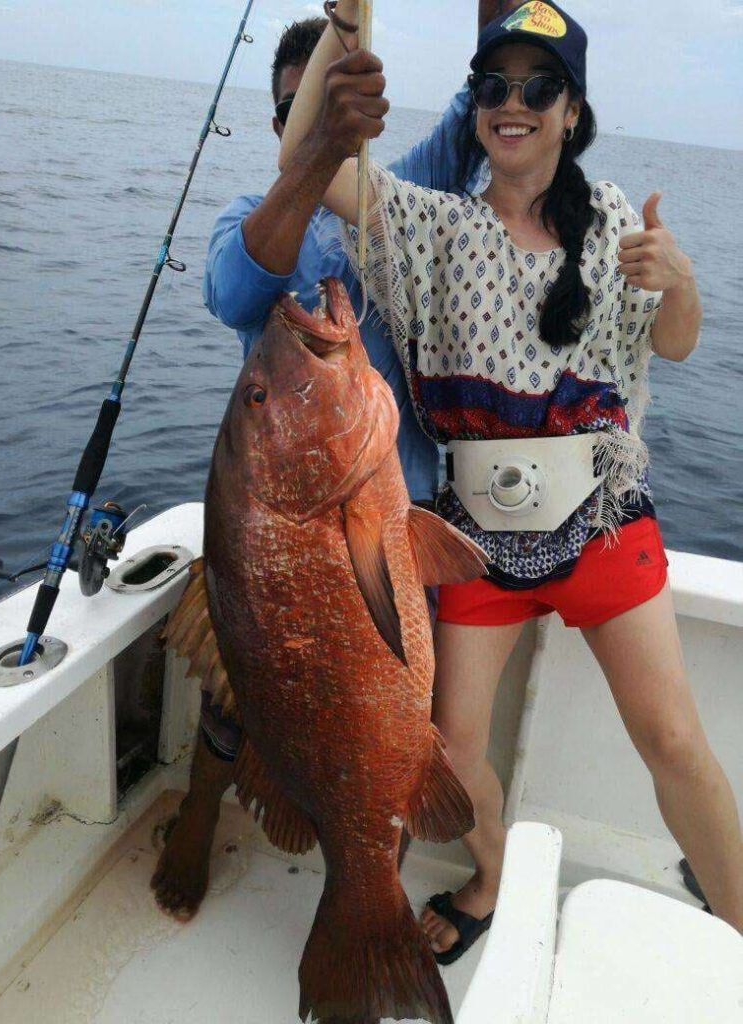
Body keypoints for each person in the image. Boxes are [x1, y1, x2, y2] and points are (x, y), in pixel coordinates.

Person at [279, 0, 743, 959]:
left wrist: (683, 282)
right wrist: (340, 22)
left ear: (572, 110)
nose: (513, 103)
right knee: (448, 753)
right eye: (496, 86)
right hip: (475, 536)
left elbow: (677, 342)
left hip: (601, 519)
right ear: (478, 106)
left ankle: (739, 915)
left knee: (671, 740)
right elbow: (300, 163)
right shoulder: (431, 225)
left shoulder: (613, 220)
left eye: (539, 86)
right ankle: (487, 882)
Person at [150, 1, 517, 921]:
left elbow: (483, 110)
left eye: (321, 104)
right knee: (245, 690)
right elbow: (238, 282)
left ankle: (369, 895)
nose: (308, 119)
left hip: (396, 517)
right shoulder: (254, 214)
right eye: (295, 109)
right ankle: (199, 812)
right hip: (280, 520)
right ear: (280, 124)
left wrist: (500, 18)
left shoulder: (397, 199)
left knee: (394, 718)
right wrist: (318, 152)